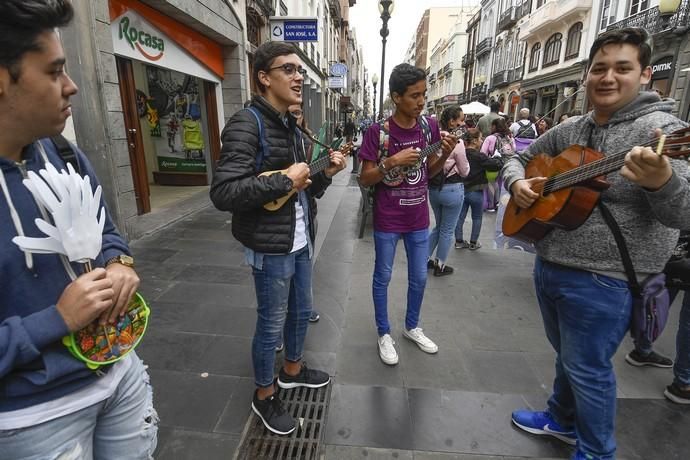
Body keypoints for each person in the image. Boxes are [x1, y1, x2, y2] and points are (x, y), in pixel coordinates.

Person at [504, 27, 690, 460]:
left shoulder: (664, 130)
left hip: (605, 280)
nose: (608, 77)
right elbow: (515, 155)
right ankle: (561, 419)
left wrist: (662, 183)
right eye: (600, 68)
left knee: (588, 370)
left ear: (644, 75)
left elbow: (684, 214)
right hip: (551, 263)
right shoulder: (573, 127)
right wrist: (516, 184)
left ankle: (596, 451)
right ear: (587, 74)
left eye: (622, 68)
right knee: (568, 358)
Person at [0, 1, 158, 458]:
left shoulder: (61, 152)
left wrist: (118, 261)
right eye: (53, 73)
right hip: (35, 417)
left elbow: (105, 226)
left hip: (119, 375)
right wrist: (56, 321)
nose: (71, 87)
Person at [210, 41, 346, 436]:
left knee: (301, 312)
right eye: (288, 69)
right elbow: (224, 193)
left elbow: (304, 189)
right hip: (270, 247)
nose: (298, 75)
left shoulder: (291, 123)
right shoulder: (246, 123)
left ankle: (292, 370)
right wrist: (285, 180)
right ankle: (264, 392)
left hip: (301, 238)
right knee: (271, 325)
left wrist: (324, 174)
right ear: (264, 78)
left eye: (299, 69)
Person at [358, 63, 456, 366]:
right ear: (396, 97)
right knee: (383, 277)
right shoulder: (378, 133)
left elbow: (430, 173)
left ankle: (412, 326)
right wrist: (391, 162)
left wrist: (445, 154)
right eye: (414, 95)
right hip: (388, 219)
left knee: (419, 279)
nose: (421, 101)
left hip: (418, 219)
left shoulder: (429, 128)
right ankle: (383, 332)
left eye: (424, 94)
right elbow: (365, 178)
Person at [427, 106, 469, 276]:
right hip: (452, 190)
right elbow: (465, 171)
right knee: (447, 230)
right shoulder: (456, 142)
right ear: (452, 122)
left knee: (439, 227)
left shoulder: (434, 139)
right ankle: (440, 266)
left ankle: (422, 259)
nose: (463, 123)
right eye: (461, 119)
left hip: (434, 190)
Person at [454, 129, 503, 250]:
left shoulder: (461, 153)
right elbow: (495, 165)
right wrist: (498, 158)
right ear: (475, 141)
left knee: (460, 217)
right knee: (477, 218)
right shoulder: (480, 156)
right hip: (477, 192)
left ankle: (459, 241)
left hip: (462, 190)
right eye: (480, 138)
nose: (481, 141)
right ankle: (473, 242)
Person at [480, 117, 516, 212]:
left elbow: (483, 152)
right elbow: (514, 150)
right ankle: (497, 202)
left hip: (493, 164)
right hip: (506, 163)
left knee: (492, 183)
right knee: (498, 183)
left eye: (492, 125)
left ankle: (491, 205)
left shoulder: (490, 138)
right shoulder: (509, 137)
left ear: (495, 126)